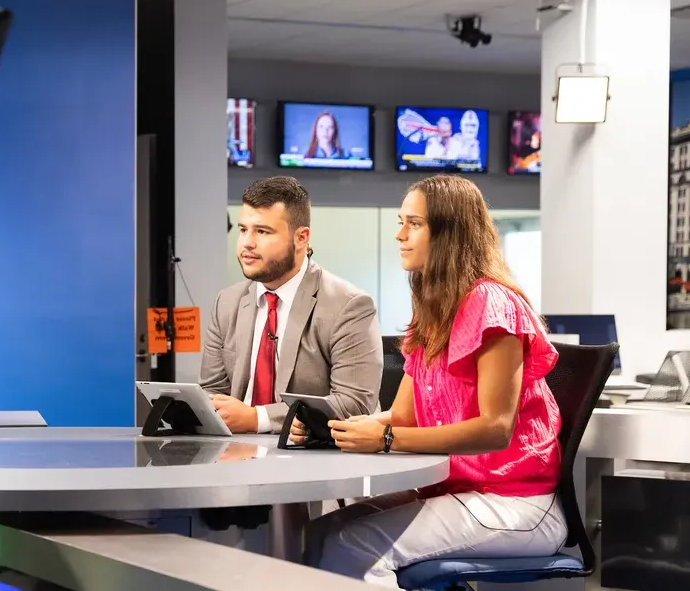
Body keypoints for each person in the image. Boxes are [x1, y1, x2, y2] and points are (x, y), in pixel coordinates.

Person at [300, 174, 567, 588]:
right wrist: (336, 428)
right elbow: (403, 415)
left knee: (349, 544)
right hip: (460, 493)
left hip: (517, 504)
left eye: (414, 224)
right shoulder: (433, 309)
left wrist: (386, 440)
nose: (399, 234)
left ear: (450, 234)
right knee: (317, 534)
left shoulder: (493, 303)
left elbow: (496, 429)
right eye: (401, 221)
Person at [199, 176, 382, 433]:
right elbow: (212, 392)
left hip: (316, 459)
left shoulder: (348, 306)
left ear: (301, 238)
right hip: (234, 455)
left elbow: (354, 404)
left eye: (262, 231)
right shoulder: (227, 302)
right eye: (243, 230)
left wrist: (257, 418)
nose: (247, 243)